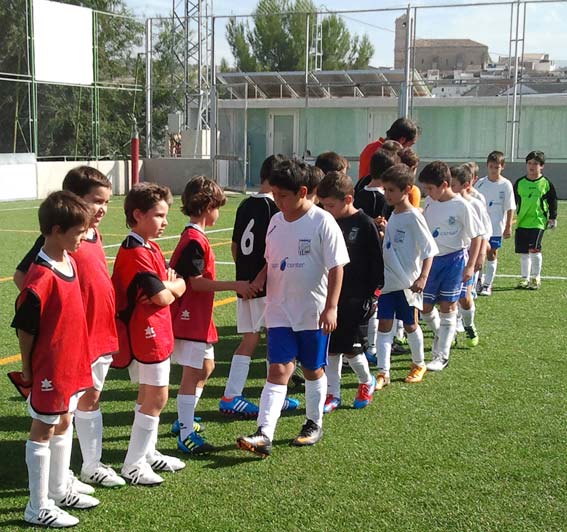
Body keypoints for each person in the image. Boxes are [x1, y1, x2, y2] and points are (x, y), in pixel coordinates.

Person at [13, 167, 125, 489]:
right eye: (96, 201)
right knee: (67, 411)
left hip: (101, 334)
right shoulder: (59, 238)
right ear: (76, 200)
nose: (102, 208)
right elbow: (27, 280)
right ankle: (62, 480)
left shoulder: (90, 234)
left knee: (91, 400)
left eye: (106, 202)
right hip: (76, 340)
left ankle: (91, 466)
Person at [236, 159, 349, 456]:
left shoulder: (322, 222)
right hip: (278, 310)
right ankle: (264, 433)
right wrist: (258, 281)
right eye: (274, 194)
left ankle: (313, 422)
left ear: (302, 191)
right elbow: (269, 261)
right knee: (277, 369)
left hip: (311, 311)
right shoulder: (274, 221)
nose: (277, 201)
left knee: (312, 369)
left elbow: (337, 268)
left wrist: (331, 307)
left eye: (282, 196)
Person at [12, 191, 98, 527]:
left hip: (71, 362)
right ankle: (37, 506)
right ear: (56, 230)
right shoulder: (41, 277)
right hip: (50, 368)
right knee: (43, 428)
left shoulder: (70, 261)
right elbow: (26, 331)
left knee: (64, 421)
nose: (84, 238)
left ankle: (59, 490)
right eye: (79, 232)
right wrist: (29, 370)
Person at [168, 177, 254, 454]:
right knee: (192, 373)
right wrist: (235, 285)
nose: (218, 212)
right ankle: (184, 432)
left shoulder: (197, 237)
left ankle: (185, 418)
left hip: (199, 315)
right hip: (189, 316)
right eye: (217, 206)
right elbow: (196, 283)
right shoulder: (193, 239)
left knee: (206, 368)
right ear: (207, 207)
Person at [112, 183, 186, 485]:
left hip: (159, 329)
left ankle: (148, 453)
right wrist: (171, 287)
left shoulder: (150, 246)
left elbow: (176, 284)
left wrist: (171, 285)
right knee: (156, 396)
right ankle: (132, 464)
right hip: (146, 333)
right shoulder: (134, 253)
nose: (165, 222)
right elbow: (164, 296)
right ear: (137, 214)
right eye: (159, 216)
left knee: (149, 396)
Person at [219, 155, 299, 418]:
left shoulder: (245, 204)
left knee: (252, 338)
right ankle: (239, 394)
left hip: (246, 285)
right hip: (264, 285)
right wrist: (259, 279)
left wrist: (245, 279)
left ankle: (250, 393)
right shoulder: (275, 208)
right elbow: (273, 253)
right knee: (270, 339)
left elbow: (234, 247)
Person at [316, 171, 384, 412]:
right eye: (323, 205)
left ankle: (367, 381)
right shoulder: (328, 222)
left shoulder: (364, 224)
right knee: (332, 346)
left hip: (358, 296)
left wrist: (374, 295)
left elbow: (377, 262)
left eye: (331, 205)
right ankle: (333, 394)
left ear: (348, 199)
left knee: (350, 346)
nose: (327, 210)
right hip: (333, 294)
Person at [375, 165, 438, 388]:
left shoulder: (413, 217)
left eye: (391, 190)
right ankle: (383, 372)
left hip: (407, 284)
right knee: (384, 324)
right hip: (388, 282)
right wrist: (383, 231)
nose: (387, 194)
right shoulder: (393, 214)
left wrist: (422, 278)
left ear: (407, 190)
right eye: (385, 189)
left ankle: (419, 363)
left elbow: (429, 249)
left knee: (410, 325)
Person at [418, 161, 482, 372]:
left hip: (454, 260)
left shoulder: (462, 205)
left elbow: (476, 237)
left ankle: (441, 355)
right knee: (425, 308)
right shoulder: (429, 202)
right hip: (431, 261)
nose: (428, 192)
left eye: (430, 188)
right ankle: (443, 333)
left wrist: (471, 266)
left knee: (448, 306)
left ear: (444, 184)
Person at [450, 165, 492, 347]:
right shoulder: (444, 202)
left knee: (464, 298)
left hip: (469, 255)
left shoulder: (475, 203)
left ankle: (468, 324)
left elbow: (483, 232)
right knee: (448, 298)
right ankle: (448, 334)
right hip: (450, 256)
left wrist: (481, 254)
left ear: (465, 185)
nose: (449, 188)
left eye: (453, 184)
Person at [513, 150, 557, 290]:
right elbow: (512, 202)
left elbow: (552, 201)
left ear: (541, 166)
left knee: (535, 249)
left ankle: (535, 278)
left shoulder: (546, 183)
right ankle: (524, 278)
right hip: (522, 221)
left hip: (538, 221)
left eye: (536, 164)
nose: (532, 166)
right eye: (529, 163)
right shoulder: (520, 183)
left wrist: (552, 218)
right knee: (524, 252)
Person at [474, 151, 516, 296]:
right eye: (491, 167)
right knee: (479, 253)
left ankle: (488, 285)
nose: (493, 170)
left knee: (492, 253)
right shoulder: (480, 184)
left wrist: (508, 226)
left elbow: (510, 207)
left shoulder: (506, 185)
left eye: (496, 167)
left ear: (502, 167)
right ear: (487, 166)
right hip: (480, 228)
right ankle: (477, 281)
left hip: (496, 227)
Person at [358, 117, 419, 181]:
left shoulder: (370, 147)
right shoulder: (389, 155)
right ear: (402, 140)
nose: (409, 148)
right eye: (411, 144)